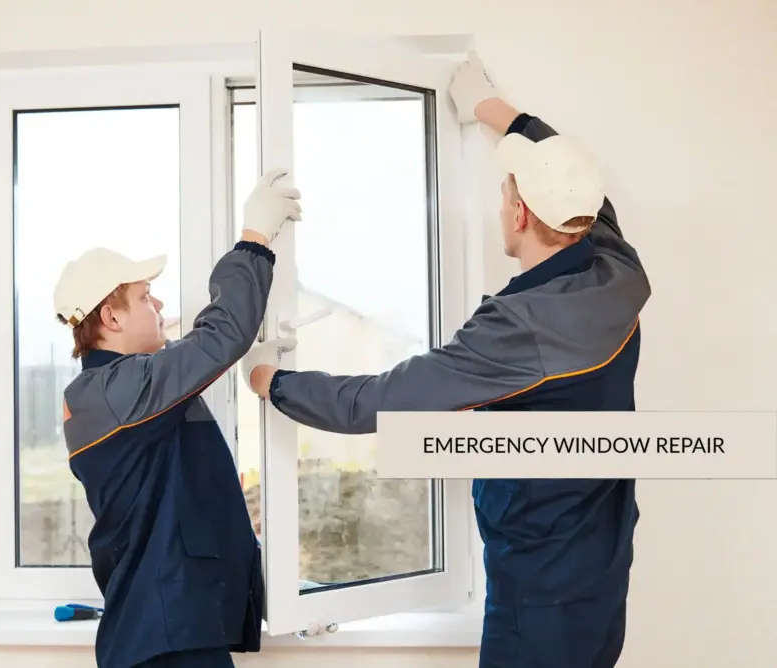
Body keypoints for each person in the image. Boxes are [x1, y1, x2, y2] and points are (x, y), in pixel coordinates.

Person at [240, 52, 651, 668]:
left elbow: (376, 402)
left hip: (537, 595)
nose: (502, 204)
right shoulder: (617, 268)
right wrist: (492, 108)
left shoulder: (518, 329)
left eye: (505, 194)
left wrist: (274, 382)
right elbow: (570, 171)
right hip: (602, 569)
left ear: (519, 214)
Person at [54, 168, 302, 668]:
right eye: (145, 296)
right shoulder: (116, 391)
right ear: (112, 317)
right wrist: (254, 239)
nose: (160, 304)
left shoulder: (114, 392)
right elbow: (219, 338)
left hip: (166, 632)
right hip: (164, 641)